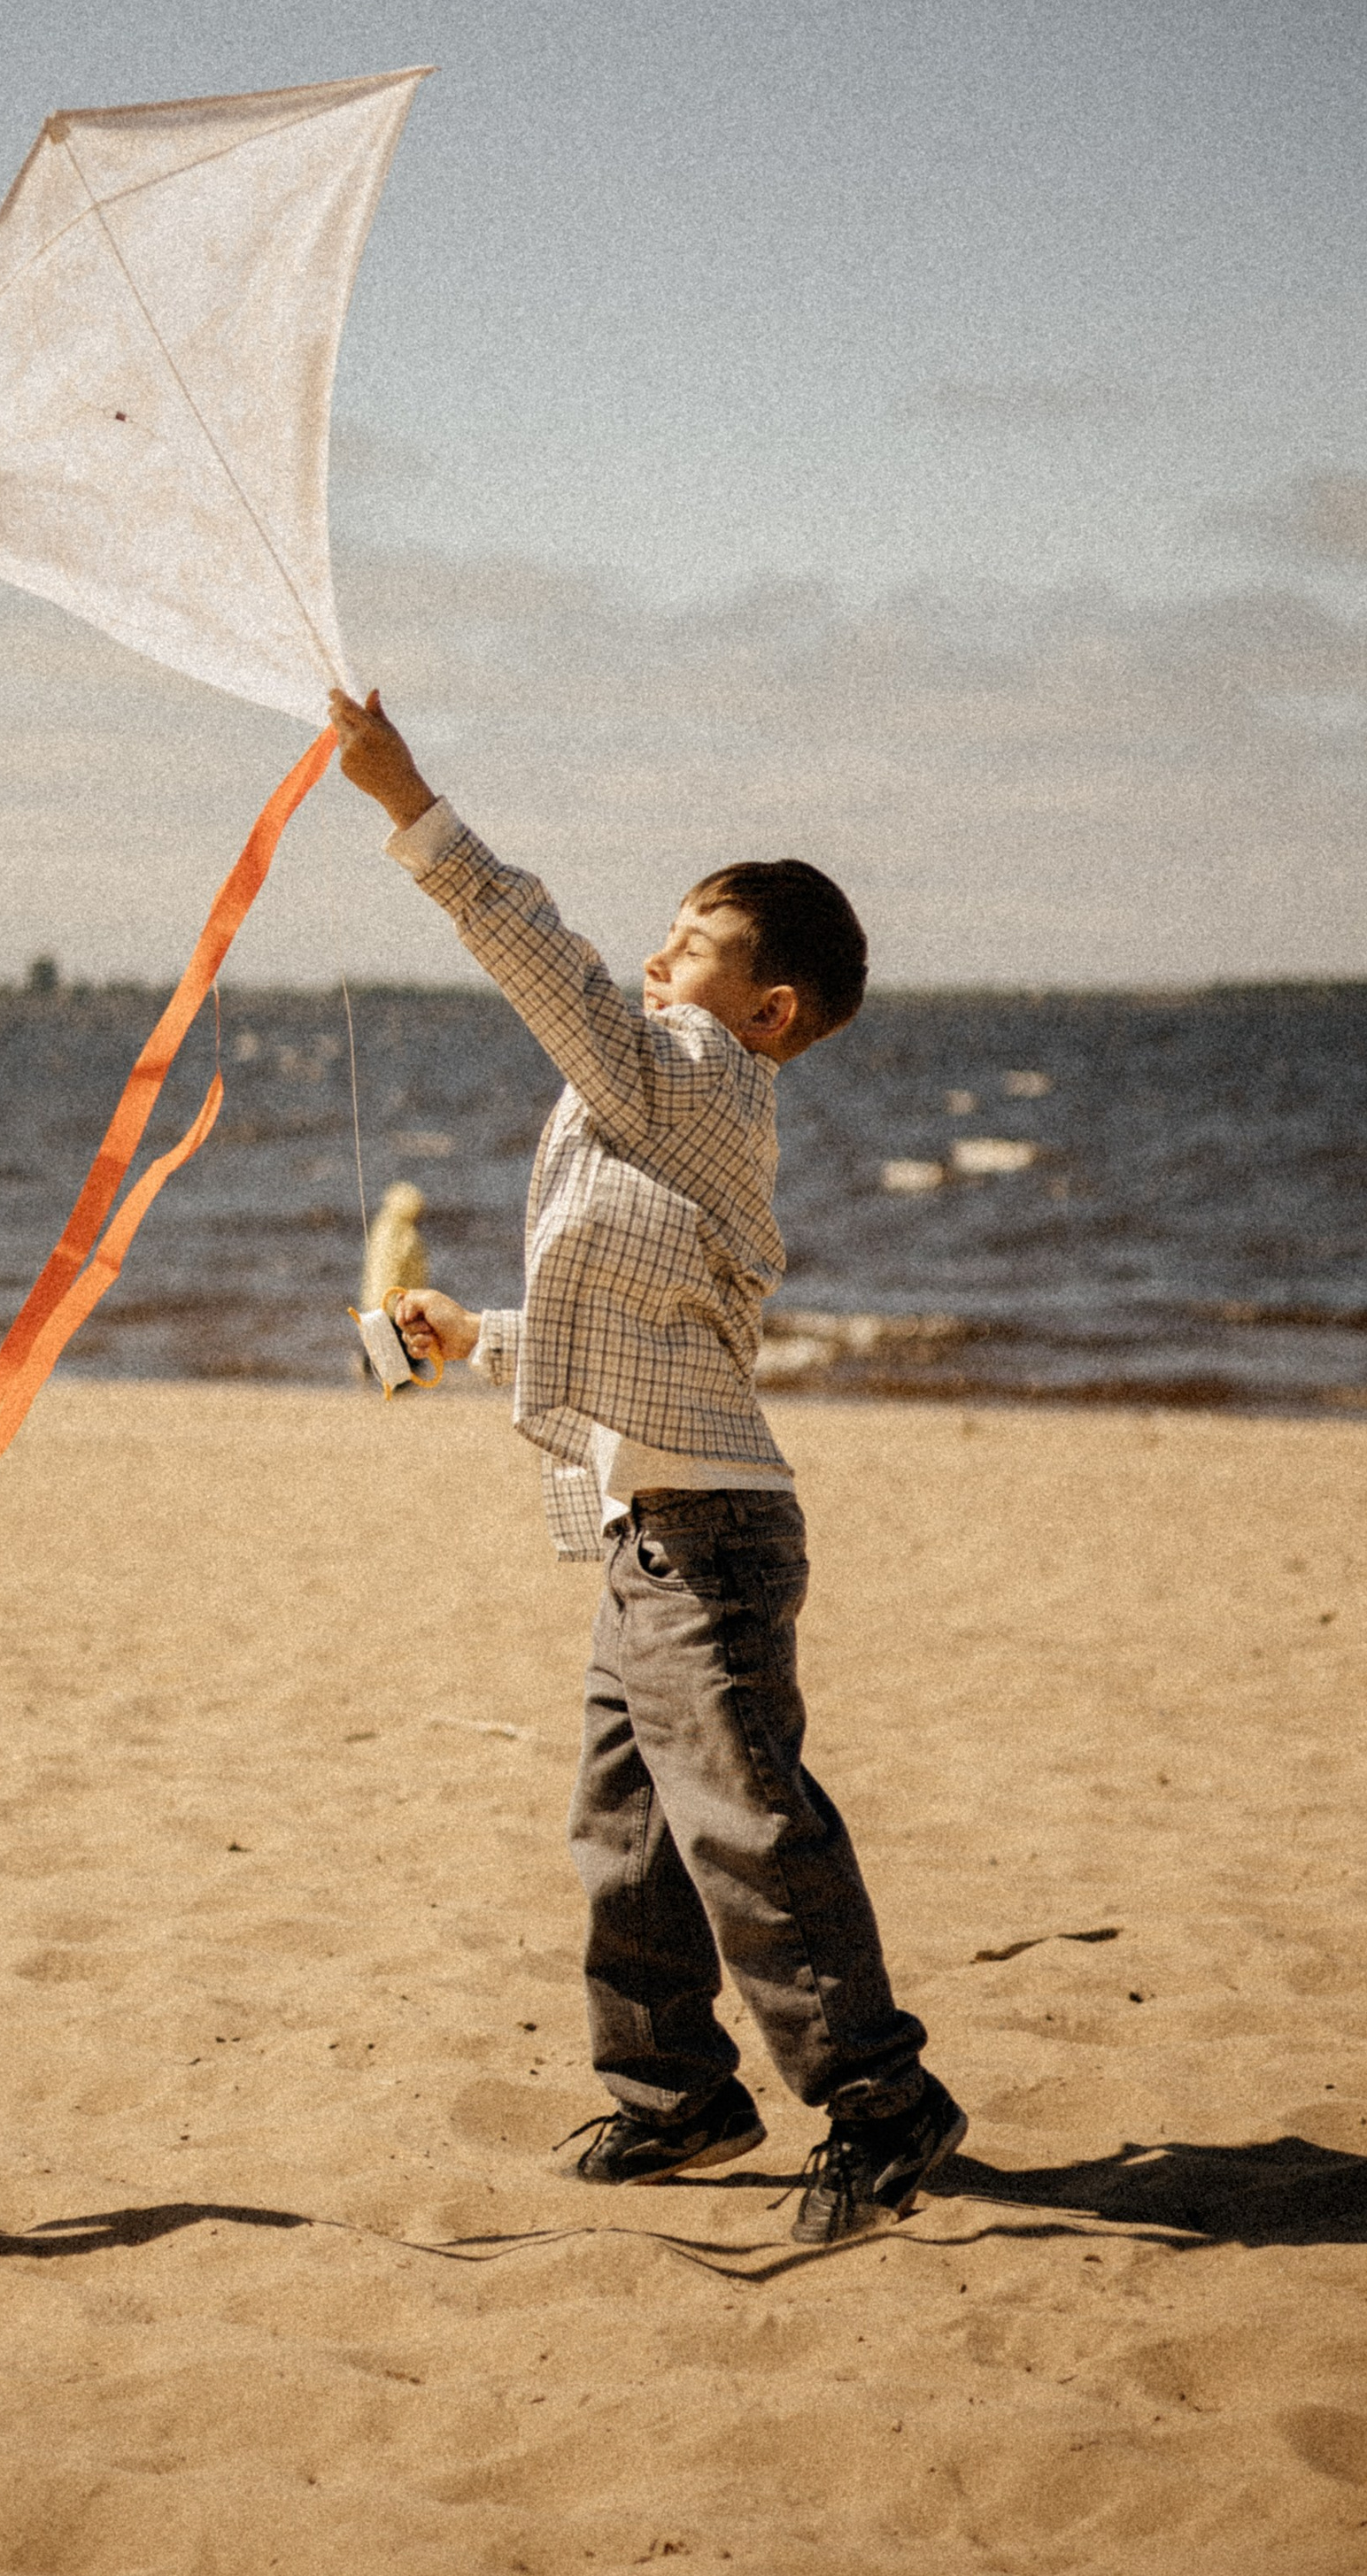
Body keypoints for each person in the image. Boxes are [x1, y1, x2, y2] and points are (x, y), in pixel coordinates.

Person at [327, 685, 965, 2250]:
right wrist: (473, 1335)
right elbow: (630, 1314)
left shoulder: (697, 1073)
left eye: (697, 941)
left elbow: (543, 962)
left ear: (773, 1014)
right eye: (667, 931)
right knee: (626, 1834)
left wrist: (408, 800)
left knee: (747, 1820)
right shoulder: (667, 1108)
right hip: (644, 1536)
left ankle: (882, 2099)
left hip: (711, 1537)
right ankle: (680, 2093)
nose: (661, 952)